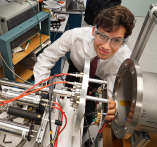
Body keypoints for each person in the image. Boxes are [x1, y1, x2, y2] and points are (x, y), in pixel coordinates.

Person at [33, 5, 135, 139]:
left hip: (101, 81)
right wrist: (43, 87)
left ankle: (82, 133)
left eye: (116, 40)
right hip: (76, 71)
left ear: (124, 41)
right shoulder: (75, 36)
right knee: (64, 104)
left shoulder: (124, 58)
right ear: (94, 30)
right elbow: (46, 57)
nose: (106, 46)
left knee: (89, 114)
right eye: (102, 36)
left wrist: (107, 104)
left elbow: (111, 88)